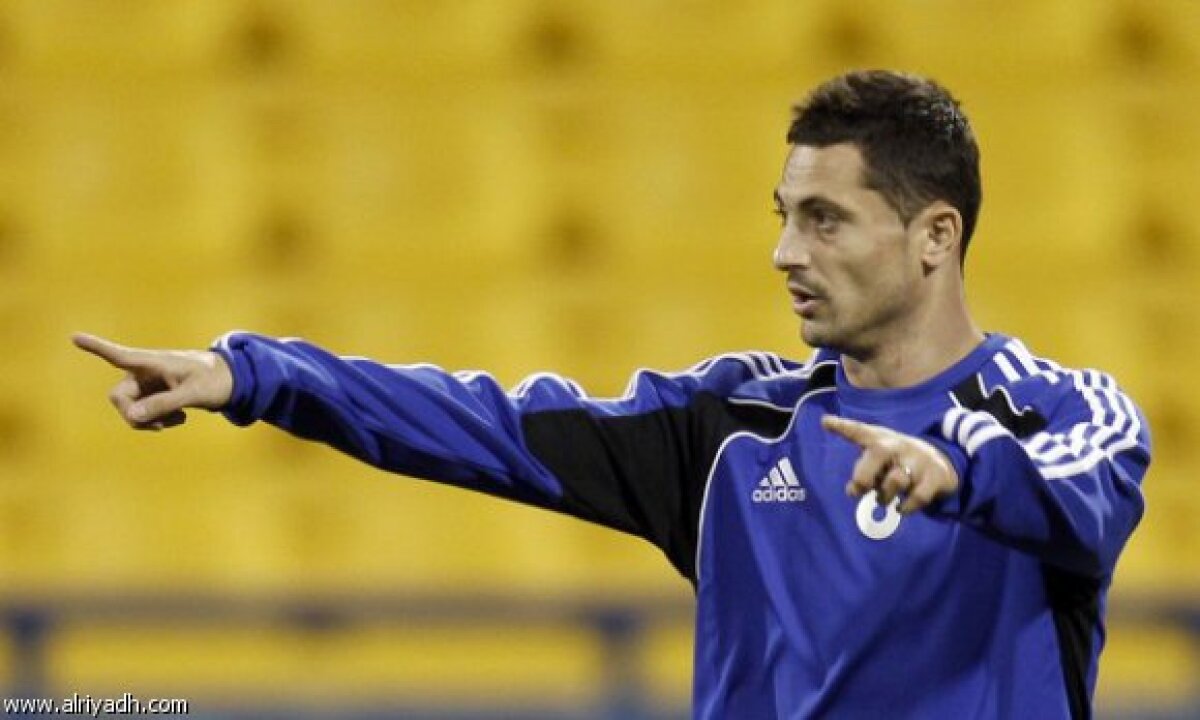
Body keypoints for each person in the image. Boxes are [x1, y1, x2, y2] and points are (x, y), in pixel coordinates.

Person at [74, 70, 1150, 719]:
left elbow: (1081, 490)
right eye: (782, 216)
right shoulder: (731, 433)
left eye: (824, 220)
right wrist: (255, 376)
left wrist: (962, 470)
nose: (784, 252)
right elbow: (493, 424)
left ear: (935, 236)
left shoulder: (1058, 414)